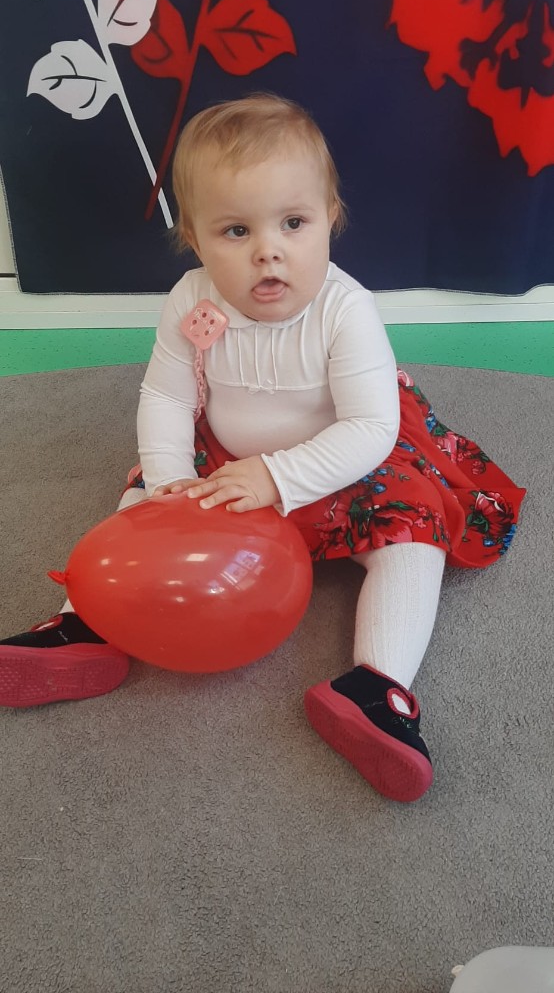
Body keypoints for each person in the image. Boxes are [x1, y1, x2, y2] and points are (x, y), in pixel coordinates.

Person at [0, 93, 526, 803]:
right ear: (195, 239)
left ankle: (379, 687)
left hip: (341, 463)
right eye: (236, 230)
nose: (267, 250)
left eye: (293, 223)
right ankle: (83, 625)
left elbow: (369, 428)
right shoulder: (190, 300)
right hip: (227, 462)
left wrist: (278, 477)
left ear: (331, 218)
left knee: (415, 535)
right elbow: (166, 398)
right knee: (140, 492)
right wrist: (169, 484)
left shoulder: (345, 309)